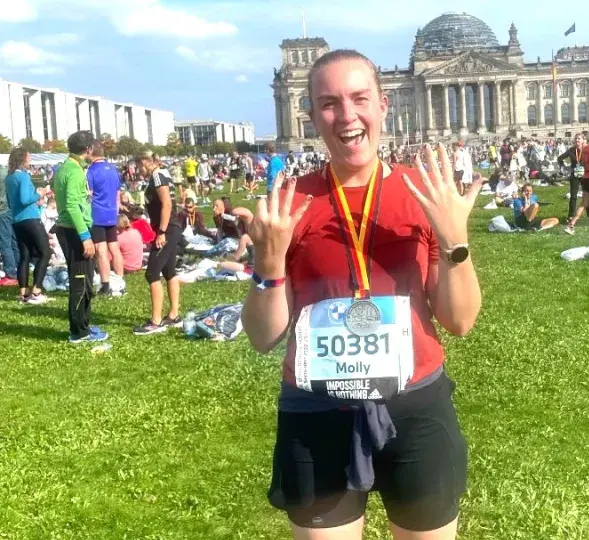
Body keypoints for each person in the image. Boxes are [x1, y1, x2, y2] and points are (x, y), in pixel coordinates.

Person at [241, 49, 482, 540]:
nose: (346, 116)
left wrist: (456, 240)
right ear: (310, 115)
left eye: (359, 99)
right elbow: (264, 337)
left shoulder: (424, 193)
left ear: (383, 105)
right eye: (329, 103)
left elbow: (459, 321)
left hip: (414, 403)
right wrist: (268, 267)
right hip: (317, 407)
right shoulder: (290, 203)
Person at [53, 131, 108, 344]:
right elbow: (71, 206)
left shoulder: (67, 167)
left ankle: (84, 324)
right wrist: (85, 237)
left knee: (85, 280)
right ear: (88, 150)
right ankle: (79, 332)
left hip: (73, 228)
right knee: (80, 282)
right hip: (75, 232)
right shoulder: (74, 171)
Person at [133, 150, 182, 335]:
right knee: (169, 271)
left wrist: (161, 232)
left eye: (138, 166)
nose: (138, 171)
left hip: (167, 229)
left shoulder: (158, 175)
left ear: (145, 161)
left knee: (152, 272)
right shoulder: (161, 173)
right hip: (170, 227)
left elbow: (167, 204)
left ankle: (156, 321)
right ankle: (174, 315)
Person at [5, 147, 51, 304]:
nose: (30, 160)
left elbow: (13, 202)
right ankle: (36, 292)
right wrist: (40, 193)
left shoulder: (10, 177)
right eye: (28, 157)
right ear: (22, 159)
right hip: (30, 218)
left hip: (17, 220)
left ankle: (23, 293)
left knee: (24, 256)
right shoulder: (23, 177)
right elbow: (25, 199)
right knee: (45, 252)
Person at [87, 141, 124, 296]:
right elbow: (117, 193)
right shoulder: (113, 170)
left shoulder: (91, 171)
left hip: (98, 213)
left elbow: (88, 194)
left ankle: (105, 284)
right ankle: (120, 281)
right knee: (114, 248)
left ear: (90, 152)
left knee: (101, 250)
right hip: (112, 213)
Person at [558, 134, 589, 220]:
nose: (577, 140)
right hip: (575, 175)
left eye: (579, 138)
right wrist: (566, 167)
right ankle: (571, 215)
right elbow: (560, 158)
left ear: (582, 140)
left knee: (587, 194)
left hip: (585, 174)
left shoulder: (586, 150)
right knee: (573, 195)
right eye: (576, 138)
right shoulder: (571, 150)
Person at [0, 161, 20, 286]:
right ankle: (19, 269)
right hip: (12, 209)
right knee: (13, 241)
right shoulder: (7, 172)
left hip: (2, 211)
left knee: (4, 242)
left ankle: (10, 274)